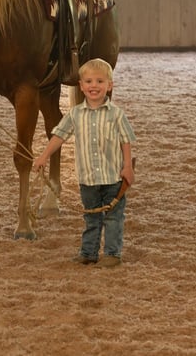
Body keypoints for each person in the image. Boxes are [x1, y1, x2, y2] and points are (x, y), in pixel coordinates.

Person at [33, 58, 137, 268]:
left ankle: (112, 254)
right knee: (91, 218)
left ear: (109, 85)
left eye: (100, 81)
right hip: (88, 179)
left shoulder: (117, 114)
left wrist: (127, 166)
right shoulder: (75, 114)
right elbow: (59, 136)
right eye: (89, 81)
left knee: (113, 218)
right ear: (81, 86)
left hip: (113, 177)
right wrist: (43, 155)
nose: (94, 86)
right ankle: (89, 252)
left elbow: (126, 140)